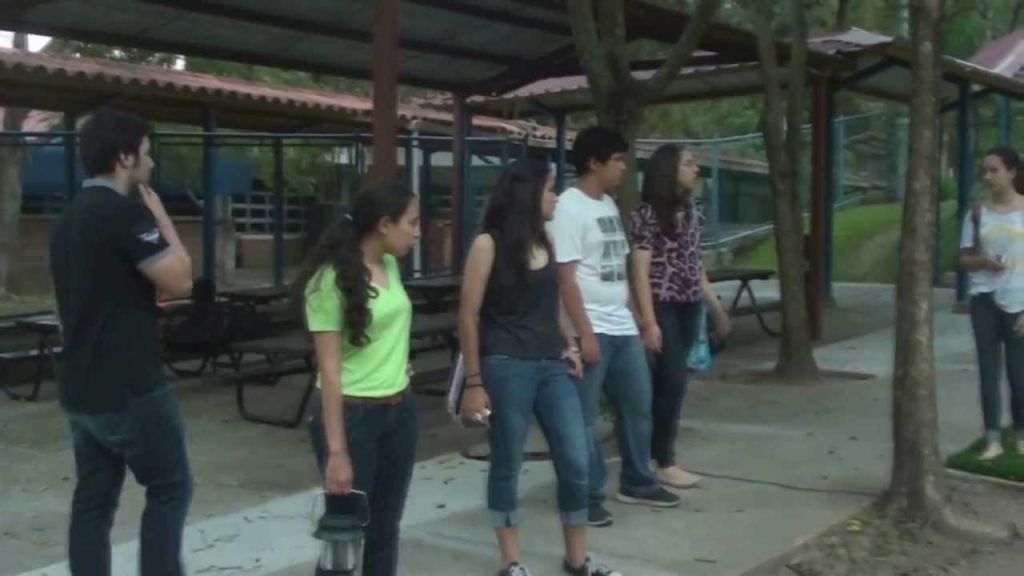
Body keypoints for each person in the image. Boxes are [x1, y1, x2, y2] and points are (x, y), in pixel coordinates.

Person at [458, 160, 623, 576]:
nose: (555, 198)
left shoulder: (545, 241)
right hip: (506, 364)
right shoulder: (488, 245)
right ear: (528, 194)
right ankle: (511, 562)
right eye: (550, 190)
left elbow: (552, 304)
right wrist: (474, 382)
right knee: (507, 461)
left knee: (576, 458)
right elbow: (468, 315)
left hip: (552, 364)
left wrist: (569, 344)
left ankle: (578, 560)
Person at [49, 108, 195, 575]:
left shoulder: (67, 219)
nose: (150, 162)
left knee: (93, 501)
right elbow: (180, 280)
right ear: (125, 157)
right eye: (146, 152)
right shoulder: (124, 213)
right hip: (130, 385)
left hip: (80, 387)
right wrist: (161, 216)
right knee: (170, 486)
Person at [549, 126, 681, 529]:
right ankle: (585, 494)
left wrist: (639, 319)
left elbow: (617, 270)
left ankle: (637, 481)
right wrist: (584, 334)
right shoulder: (568, 207)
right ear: (594, 162)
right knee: (583, 418)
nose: (625, 167)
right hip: (592, 327)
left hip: (621, 326)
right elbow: (566, 279)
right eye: (618, 159)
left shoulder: (607, 204)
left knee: (638, 408)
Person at [299, 182, 421, 576]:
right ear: (384, 224)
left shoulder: (390, 267)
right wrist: (337, 453)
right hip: (352, 418)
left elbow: (390, 328)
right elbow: (330, 372)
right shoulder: (327, 283)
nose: (418, 232)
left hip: (399, 411)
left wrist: (398, 364)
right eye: (412, 223)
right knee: (344, 535)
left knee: (385, 528)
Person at [630, 144, 731, 489]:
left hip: (690, 304)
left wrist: (715, 307)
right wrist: (648, 320)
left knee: (676, 381)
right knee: (670, 381)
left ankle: (657, 455)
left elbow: (695, 264)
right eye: (688, 164)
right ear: (669, 170)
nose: (695, 170)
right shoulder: (647, 214)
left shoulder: (691, 211)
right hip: (662, 303)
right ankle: (663, 460)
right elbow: (640, 271)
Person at [959, 146, 1024, 460]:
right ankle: (992, 438)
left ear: (1012, 172)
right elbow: (963, 258)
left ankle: (1022, 435)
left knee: (1018, 374)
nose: (988, 176)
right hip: (984, 301)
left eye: (994, 170)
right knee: (988, 372)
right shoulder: (976, 213)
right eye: (985, 170)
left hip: (1019, 303)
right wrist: (983, 262)